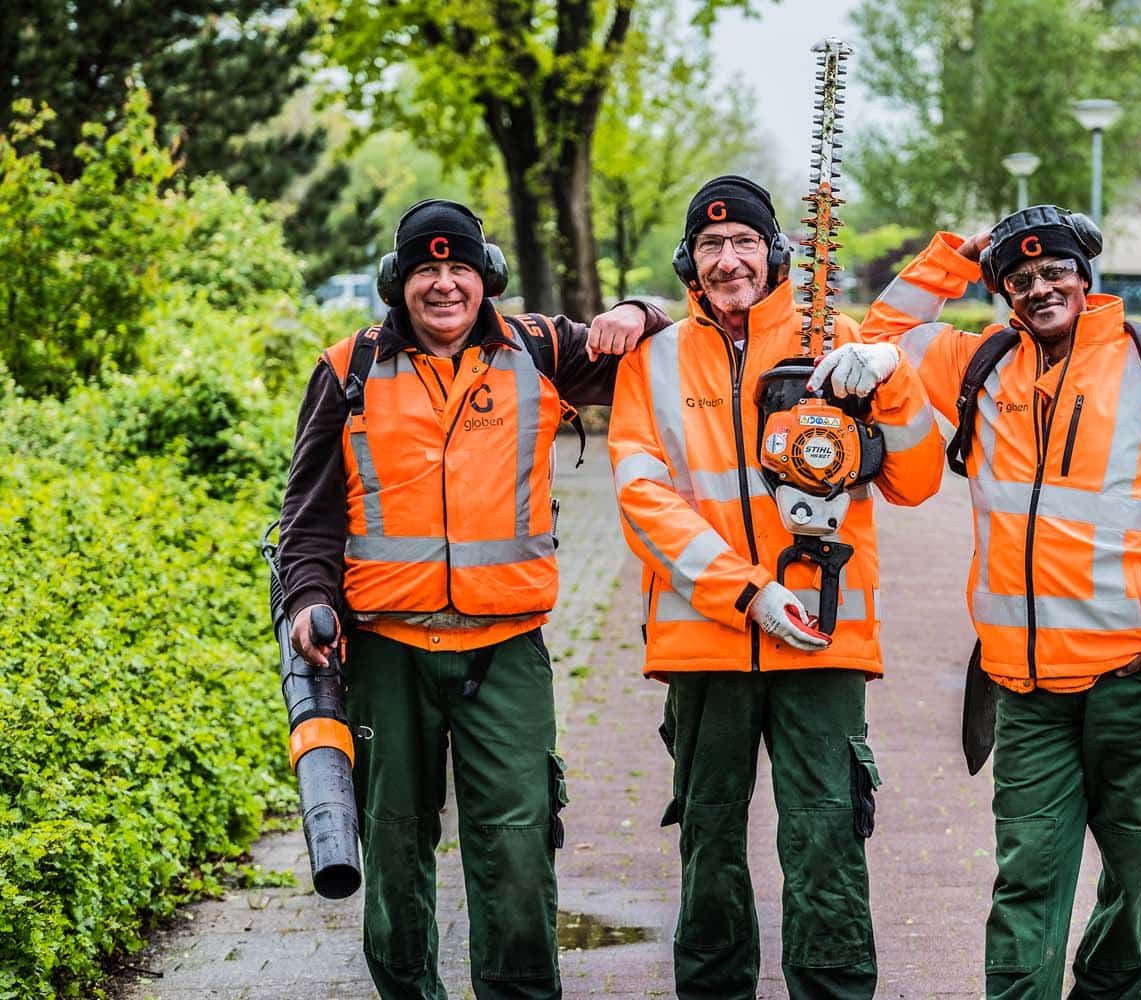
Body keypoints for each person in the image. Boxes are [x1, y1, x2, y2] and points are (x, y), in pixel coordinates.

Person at [277, 198, 670, 1000]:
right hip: (386, 652)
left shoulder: (537, 348)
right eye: (426, 268)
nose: (445, 284)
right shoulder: (347, 370)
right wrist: (309, 599)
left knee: (519, 847)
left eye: (459, 268)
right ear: (398, 281)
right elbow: (306, 518)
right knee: (392, 848)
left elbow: (675, 351)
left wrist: (638, 309)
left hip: (506, 652)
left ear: (486, 277)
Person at [859, 205, 1141, 1000]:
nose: (1041, 288)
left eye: (1055, 272)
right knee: (1028, 878)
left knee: (1135, 876)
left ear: (1085, 276)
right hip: (1023, 688)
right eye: (1022, 277)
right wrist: (954, 255)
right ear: (1003, 290)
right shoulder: (982, 364)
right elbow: (881, 334)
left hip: (1134, 679)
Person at [605, 175, 945, 999]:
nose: (730, 261)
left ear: (776, 252)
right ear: (690, 261)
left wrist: (892, 378)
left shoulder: (840, 340)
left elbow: (919, 479)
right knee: (710, 842)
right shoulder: (651, 364)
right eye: (713, 246)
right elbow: (643, 497)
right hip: (707, 639)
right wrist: (745, 587)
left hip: (825, 643)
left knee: (826, 839)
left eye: (746, 243)